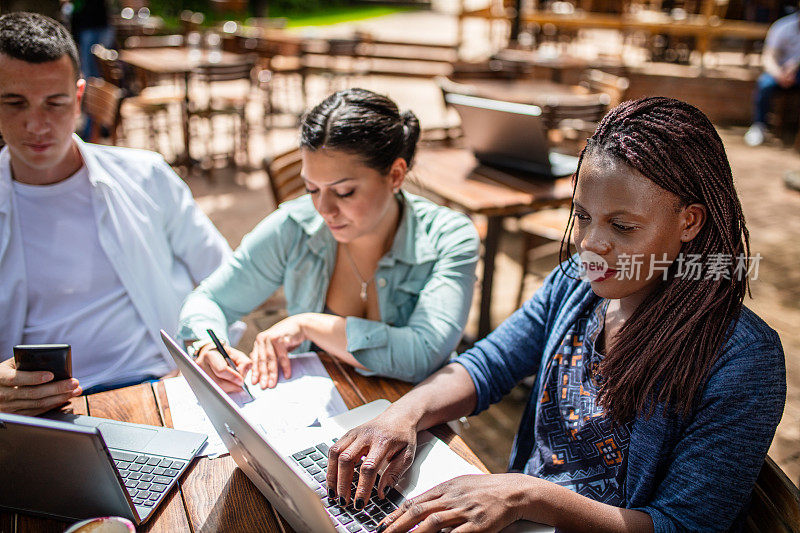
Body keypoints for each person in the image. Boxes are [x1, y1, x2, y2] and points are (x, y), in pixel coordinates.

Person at [324, 97, 786, 532]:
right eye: (583, 216)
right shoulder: (575, 285)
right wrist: (402, 414)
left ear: (690, 221)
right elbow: (488, 365)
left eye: (622, 226)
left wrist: (530, 494)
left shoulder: (743, 360)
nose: (589, 244)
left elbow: (685, 525)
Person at [0, 12, 232, 415]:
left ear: (77, 99)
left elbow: (225, 277)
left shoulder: (146, 175)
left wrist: (209, 346)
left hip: (163, 388)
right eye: (14, 102)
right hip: (37, 414)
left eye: (54, 103)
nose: (36, 124)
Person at [177, 88, 480, 392]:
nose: (323, 209)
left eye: (344, 192)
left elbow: (424, 354)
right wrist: (206, 347)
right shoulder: (293, 226)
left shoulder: (449, 237)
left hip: (413, 418)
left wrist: (309, 325)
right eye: (311, 189)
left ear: (396, 175)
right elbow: (209, 300)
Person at [744, 7, 800, 146]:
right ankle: (759, 126)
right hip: (778, 72)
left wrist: (795, 65)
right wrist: (779, 74)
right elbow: (768, 57)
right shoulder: (782, 27)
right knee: (764, 85)